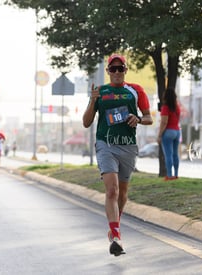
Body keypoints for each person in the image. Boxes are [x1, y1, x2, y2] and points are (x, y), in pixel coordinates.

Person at [82, 54, 153, 256]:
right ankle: (116, 237)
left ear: (125, 70)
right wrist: (92, 102)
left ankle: (114, 227)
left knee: (122, 193)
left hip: (128, 147)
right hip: (106, 144)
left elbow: (148, 118)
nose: (116, 72)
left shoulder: (135, 91)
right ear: (107, 72)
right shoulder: (100, 92)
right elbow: (86, 122)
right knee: (111, 191)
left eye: (120, 69)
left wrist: (137, 119)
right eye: (112, 69)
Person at [157, 87, 181, 181]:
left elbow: (164, 122)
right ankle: (176, 174)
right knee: (175, 154)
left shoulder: (165, 108)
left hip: (168, 132)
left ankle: (169, 176)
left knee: (168, 155)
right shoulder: (177, 107)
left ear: (165, 97)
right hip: (177, 131)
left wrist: (159, 135)